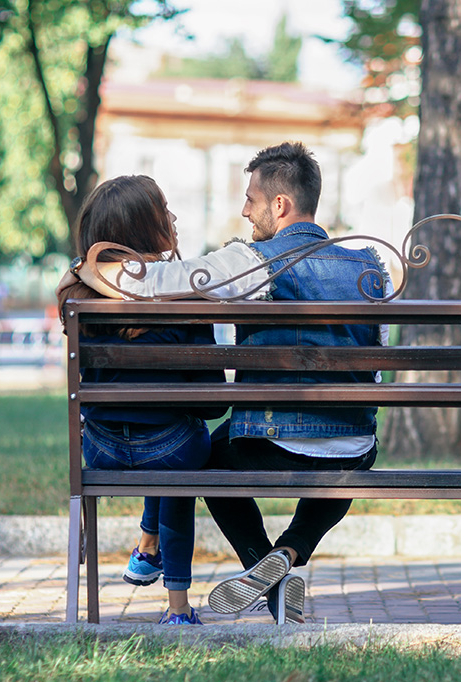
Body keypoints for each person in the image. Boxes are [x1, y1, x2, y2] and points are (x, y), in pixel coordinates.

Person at [64, 141, 387, 621]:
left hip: (273, 439)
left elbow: (156, 282)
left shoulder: (253, 261)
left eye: (251, 199)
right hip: (353, 442)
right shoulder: (369, 266)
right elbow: (376, 366)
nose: (244, 210)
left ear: (280, 205)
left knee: (210, 460)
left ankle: (265, 566)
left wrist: (86, 267)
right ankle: (291, 552)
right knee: (359, 452)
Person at [57, 175, 226, 626]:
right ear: (147, 231)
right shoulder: (185, 295)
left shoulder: (77, 300)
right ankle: (178, 610)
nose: (173, 217)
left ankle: (148, 547)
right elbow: (212, 403)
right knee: (180, 449)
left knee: (162, 439)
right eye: (164, 211)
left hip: (101, 449)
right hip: (169, 449)